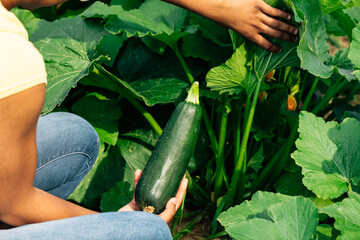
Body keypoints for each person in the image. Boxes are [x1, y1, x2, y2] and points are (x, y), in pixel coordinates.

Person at [0, 0, 298, 239]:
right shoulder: (18, 63)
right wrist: (117, 223)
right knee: (147, 232)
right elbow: (13, 205)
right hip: (9, 201)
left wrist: (220, 5)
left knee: (75, 137)